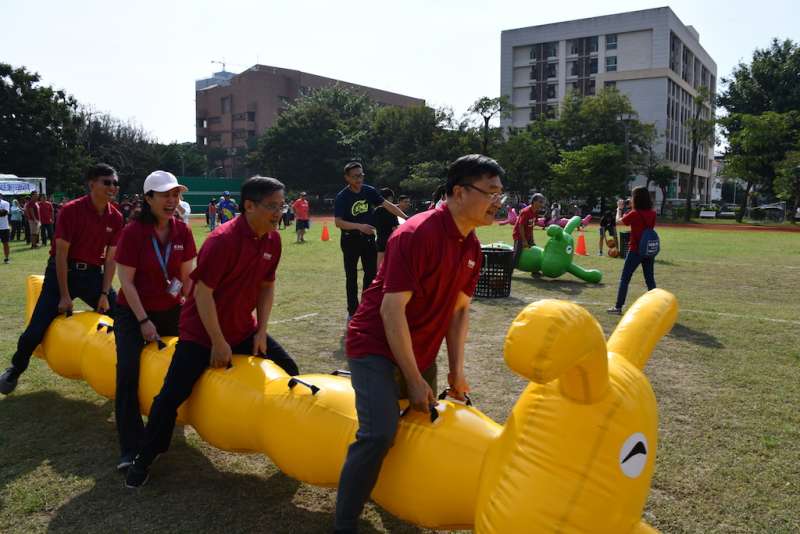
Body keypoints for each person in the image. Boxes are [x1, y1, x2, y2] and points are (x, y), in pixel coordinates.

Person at [334, 154, 504, 533]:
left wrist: (457, 375)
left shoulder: (472, 247)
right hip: (375, 344)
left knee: (418, 423)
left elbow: (458, 314)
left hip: (419, 348)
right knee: (378, 433)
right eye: (490, 192)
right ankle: (345, 522)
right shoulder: (416, 233)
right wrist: (412, 377)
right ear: (458, 192)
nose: (497, 202)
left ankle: (393, 490)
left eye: (500, 194)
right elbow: (391, 312)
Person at [124, 176, 300, 488]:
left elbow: (267, 286)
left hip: (243, 329)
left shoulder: (273, 239)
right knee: (169, 398)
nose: (278, 213)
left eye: (280, 205)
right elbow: (202, 294)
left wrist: (261, 332)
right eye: (272, 206)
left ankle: (291, 444)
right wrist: (218, 342)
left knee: (290, 372)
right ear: (249, 206)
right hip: (201, 332)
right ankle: (144, 456)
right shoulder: (223, 240)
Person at [0, 164, 123, 395]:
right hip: (62, 274)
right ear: (91, 183)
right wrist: (65, 296)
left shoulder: (115, 217)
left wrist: (105, 294)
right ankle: (15, 369)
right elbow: (61, 255)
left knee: (125, 319)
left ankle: (127, 377)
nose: (113, 187)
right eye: (107, 182)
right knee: (36, 328)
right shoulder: (71, 210)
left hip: (92, 276)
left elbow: (110, 260)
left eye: (115, 183)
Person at [112, 171, 198, 471]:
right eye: (164, 195)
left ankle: (165, 427)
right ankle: (130, 447)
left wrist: (193, 311)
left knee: (183, 366)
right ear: (148, 198)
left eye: (175, 194)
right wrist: (144, 321)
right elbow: (127, 282)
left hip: (172, 309)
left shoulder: (183, 231)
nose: (171, 201)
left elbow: (188, 279)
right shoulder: (133, 232)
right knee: (127, 374)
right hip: (132, 313)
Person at [334, 162, 407, 321]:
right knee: (351, 276)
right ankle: (353, 311)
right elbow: (338, 222)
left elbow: (388, 205)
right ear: (347, 178)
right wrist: (359, 226)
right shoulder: (342, 197)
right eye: (355, 176)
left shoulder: (369, 191)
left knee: (371, 274)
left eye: (361, 175)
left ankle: (366, 307)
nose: (359, 179)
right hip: (350, 240)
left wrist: (406, 219)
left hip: (368, 239)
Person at [607, 186, 657, 315]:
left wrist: (619, 208)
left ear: (636, 198)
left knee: (625, 279)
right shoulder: (652, 213)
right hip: (647, 249)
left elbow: (619, 221)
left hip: (635, 250)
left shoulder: (635, 213)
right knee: (650, 279)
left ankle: (618, 307)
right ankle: (657, 307)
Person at [512, 193, 546, 268]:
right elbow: (521, 226)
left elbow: (531, 226)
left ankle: (534, 270)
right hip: (519, 236)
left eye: (542, 202)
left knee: (535, 252)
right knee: (517, 254)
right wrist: (524, 240)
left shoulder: (536, 211)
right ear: (534, 201)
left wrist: (531, 239)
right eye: (540, 202)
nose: (542, 204)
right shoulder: (526, 211)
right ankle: (509, 271)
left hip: (528, 236)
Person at [374, 188, 399, 267]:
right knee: (391, 263)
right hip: (390, 239)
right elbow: (394, 228)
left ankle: (377, 278)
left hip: (380, 239)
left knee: (379, 263)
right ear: (389, 198)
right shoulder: (392, 211)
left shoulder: (376, 210)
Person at [0, 193, 10, 264]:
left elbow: (4, 213)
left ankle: (6, 258)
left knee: (5, 244)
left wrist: (2, 212)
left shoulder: (5, 203)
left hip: (4, 227)